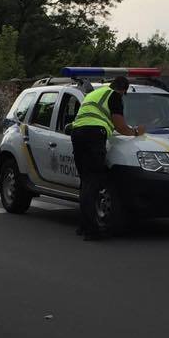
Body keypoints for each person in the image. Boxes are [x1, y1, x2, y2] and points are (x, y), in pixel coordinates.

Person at [69, 75, 145, 241]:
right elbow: (120, 126)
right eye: (124, 93)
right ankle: (91, 231)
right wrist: (137, 132)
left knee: (85, 181)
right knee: (94, 181)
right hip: (94, 134)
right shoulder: (114, 96)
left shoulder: (94, 94)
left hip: (77, 134)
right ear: (123, 90)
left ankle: (83, 226)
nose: (123, 96)